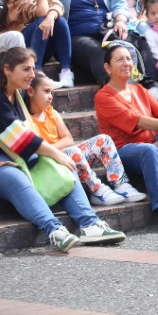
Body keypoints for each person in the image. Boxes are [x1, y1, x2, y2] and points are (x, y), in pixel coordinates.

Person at [1, 47, 126, 251]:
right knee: (16, 177)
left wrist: (57, 154)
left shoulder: (15, 95)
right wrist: (55, 152)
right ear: (7, 69)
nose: (32, 75)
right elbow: (20, 138)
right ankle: (54, 230)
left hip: (20, 156)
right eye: (26, 69)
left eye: (33, 69)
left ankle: (90, 223)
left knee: (63, 165)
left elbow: (27, 141)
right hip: (5, 162)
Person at [95, 43, 158, 232]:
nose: (126, 63)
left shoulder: (139, 89)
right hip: (123, 154)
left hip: (150, 147)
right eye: (120, 59)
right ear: (107, 68)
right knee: (151, 147)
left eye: (129, 59)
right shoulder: (103, 97)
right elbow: (136, 121)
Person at [25, 72, 146, 205]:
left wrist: (52, 149)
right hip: (48, 163)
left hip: (64, 156)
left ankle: (121, 184)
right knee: (73, 152)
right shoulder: (25, 119)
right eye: (46, 91)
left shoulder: (52, 113)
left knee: (103, 140)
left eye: (52, 92)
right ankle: (96, 190)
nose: (50, 97)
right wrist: (52, 152)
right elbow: (35, 149)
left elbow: (68, 139)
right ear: (31, 92)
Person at [3, 0, 73, 86]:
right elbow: (41, 12)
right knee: (41, 21)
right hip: (19, 50)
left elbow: (58, 5)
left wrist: (51, 16)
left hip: (42, 45)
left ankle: (66, 72)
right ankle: (36, 71)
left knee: (59, 21)